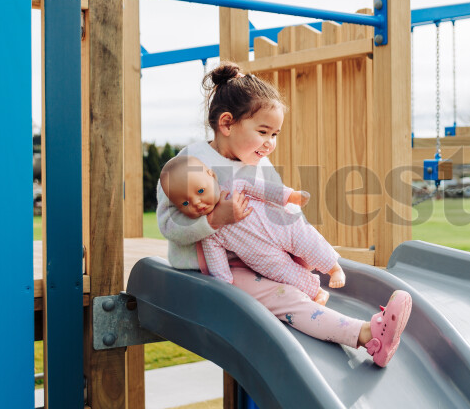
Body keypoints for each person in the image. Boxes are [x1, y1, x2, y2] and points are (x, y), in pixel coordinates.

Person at [156, 62, 410, 367]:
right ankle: (368, 335)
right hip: (221, 270)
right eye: (263, 132)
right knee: (286, 299)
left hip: (263, 255)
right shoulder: (189, 162)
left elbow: (282, 209)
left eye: (275, 134)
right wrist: (213, 220)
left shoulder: (259, 164)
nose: (270, 143)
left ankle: (320, 293)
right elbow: (168, 223)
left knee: (306, 271)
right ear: (227, 123)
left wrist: (302, 252)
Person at [161, 154, 346, 298]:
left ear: (212, 176)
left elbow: (264, 189)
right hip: (262, 256)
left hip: (281, 226)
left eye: (201, 191)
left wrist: (290, 196)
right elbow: (217, 265)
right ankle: (316, 291)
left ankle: (334, 268)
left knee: (308, 240)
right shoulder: (210, 234)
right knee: (285, 273)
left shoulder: (236, 186)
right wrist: (225, 285)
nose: (197, 203)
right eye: (185, 203)